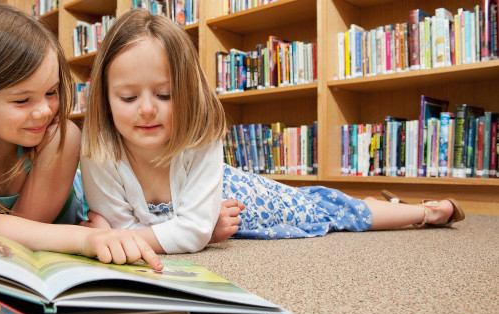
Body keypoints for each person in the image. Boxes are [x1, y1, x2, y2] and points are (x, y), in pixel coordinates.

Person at [79, 9, 465, 254]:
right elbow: (134, 233)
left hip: (235, 194)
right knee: (324, 205)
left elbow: (131, 234)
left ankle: (425, 212)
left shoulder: (200, 136)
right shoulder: (97, 150)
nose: (147, 109)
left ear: (188, 93)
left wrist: (189, 232)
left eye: (164, 94)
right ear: (104, 98)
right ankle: (390, 204)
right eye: (128, 97)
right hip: (212, 212)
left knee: (325, 208)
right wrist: (186, 230)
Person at [0, 3, 162, 270]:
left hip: (91, 213)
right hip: (81, 234)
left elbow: (20, 234)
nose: (44, 111)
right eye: (22, 99)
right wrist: (85, 239)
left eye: (51, 92)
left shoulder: (60, 137)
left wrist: (90, 235)